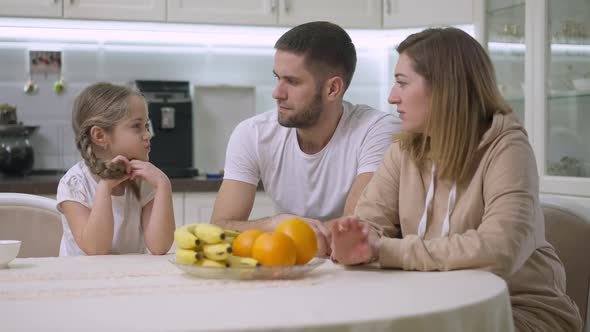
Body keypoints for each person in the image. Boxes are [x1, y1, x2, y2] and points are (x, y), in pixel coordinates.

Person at [330, 28, 583, 331]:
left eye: (402, 83)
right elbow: (369, 224)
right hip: (431, 300)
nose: (392, 96)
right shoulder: (405, 148)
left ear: (445, 88)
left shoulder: (507, 147)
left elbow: (499, 250)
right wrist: (352, 238)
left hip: (515, 308)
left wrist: (382, 250)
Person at [210, 21, 399, 255]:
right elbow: (219, 228)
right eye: (277, 78)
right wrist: (272, 224)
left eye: (292, 81)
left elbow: (355, 230)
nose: (277, 93)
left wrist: (283, 231)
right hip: (288, 264)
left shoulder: (376, 131)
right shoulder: (253, 133)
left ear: (333, 89)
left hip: (359, 272)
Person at [56, 82, 175, 256]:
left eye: (146, 126)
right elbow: (96, 249)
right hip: (81, 279)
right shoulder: (75, 182)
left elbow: (160, 246)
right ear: (100, 136)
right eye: (137, 126)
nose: (148, 135)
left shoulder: (143, 180)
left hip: (129, 278)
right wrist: (105, 187)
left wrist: (164, 185)